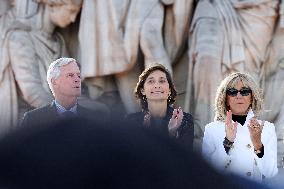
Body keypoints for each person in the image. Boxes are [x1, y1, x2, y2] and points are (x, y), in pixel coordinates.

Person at [0, 0, 82, 130]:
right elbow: (31, 90)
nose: (73, 19)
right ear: (53, 6)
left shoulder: (58, 41)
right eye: (71, 11)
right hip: (30, 120)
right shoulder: (20, 37)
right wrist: (64, 111)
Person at [202, 72, 278, 182]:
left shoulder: (266, 128)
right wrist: (228, 142)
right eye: (232, 92)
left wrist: (258, 145)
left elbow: (270, 172)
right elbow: (206, 171)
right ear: (226, 98)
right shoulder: (212, 129)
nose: (239, 96)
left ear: (252, 98)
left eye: (245, 91)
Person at [125, 64, 194, 150]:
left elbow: (184, 159)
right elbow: (131, 159)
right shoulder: (131, 121)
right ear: (143, 91)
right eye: (151, 81)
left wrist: (172, 133)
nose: (157, 85)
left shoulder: (185, 120)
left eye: (162, 81)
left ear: (169, 90)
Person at [21, 57, 105, 127]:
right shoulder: (33, 119)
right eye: (70, 75)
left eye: (78, 76)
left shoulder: (95, 118)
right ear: (54, 82)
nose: (77, 79)